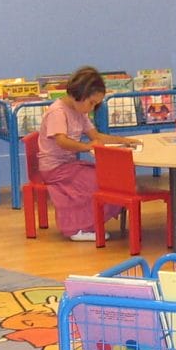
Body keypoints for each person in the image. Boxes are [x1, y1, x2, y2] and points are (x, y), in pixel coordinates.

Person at [37, 66, 143, 241]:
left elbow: (96, 136)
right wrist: (87, 147)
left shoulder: (79, 111)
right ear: (79, 94)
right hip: (54, 169)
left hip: (68, 166)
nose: (92, 108)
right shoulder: (58, 112)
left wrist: (123, 140)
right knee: (98, 181)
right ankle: (77, 228)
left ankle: (90, 223)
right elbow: (62, 141)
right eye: (91, 103)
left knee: (111, 177)